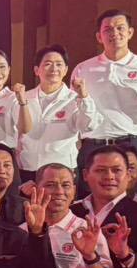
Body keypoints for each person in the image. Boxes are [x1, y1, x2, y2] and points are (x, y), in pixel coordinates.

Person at [70, 9, 137, 171]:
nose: (114, 33)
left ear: (130, 32)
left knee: (134, 188)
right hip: (93, 146)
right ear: (99, 37)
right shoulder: (83, 68)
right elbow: (74, 115)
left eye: (120, 28)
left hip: (130, 145)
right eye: (107, 29)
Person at [18, 45, 93, 182]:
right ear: (36, 70)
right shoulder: (24, 97)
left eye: (59, 64)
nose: (54, 69)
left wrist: (84, 98)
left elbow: (88, 126)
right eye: (47, 64)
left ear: (65, 70)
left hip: (62, 170)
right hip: (28, 169)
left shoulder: (75, 98)